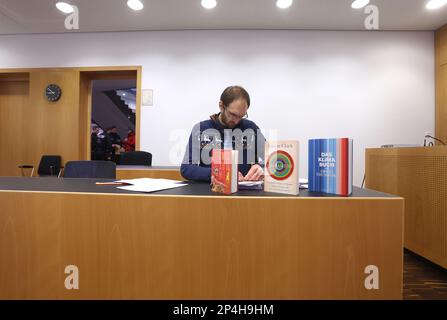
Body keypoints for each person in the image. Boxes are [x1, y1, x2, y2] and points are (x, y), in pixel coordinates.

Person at [181, 85, 265, 182]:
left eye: (241, 116)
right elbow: (186, 168)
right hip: (211, 192)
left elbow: (272, 159)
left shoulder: (250, 128)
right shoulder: (200, 129)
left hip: (244, 192)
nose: (237, 121)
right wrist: (218, 173)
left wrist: (261, 168)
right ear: (221, 106)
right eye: (233, 114)